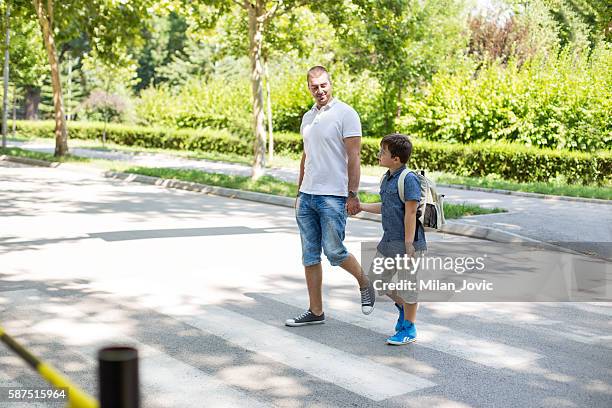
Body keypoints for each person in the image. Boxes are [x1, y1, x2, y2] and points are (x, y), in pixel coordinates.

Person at [285, 66, 376, 327]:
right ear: (309, 88)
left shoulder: (346, 114)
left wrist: (353, 194)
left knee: (334, 251)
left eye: (323, 85)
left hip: (333, 196)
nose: (319, 90)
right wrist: (299, 192)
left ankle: (364, 281)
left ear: (330, 83)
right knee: (310, 255)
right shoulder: (307, 117)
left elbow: (354, 157)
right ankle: (316, 311)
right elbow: (306, 156)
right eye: (314, 86)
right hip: (307, 195)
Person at [359, 134, 427, 345]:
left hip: (408, 242)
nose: (379, 155)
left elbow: (410, 212)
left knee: (408, 285)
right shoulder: (387, 177)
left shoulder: (409, 179)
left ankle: (409, 328)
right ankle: (403, 308)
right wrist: (361, 207)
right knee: (377, 281)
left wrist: (408, 246)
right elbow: (386, 207)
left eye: (383, 152)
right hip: (388, 240)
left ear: (396, 158)